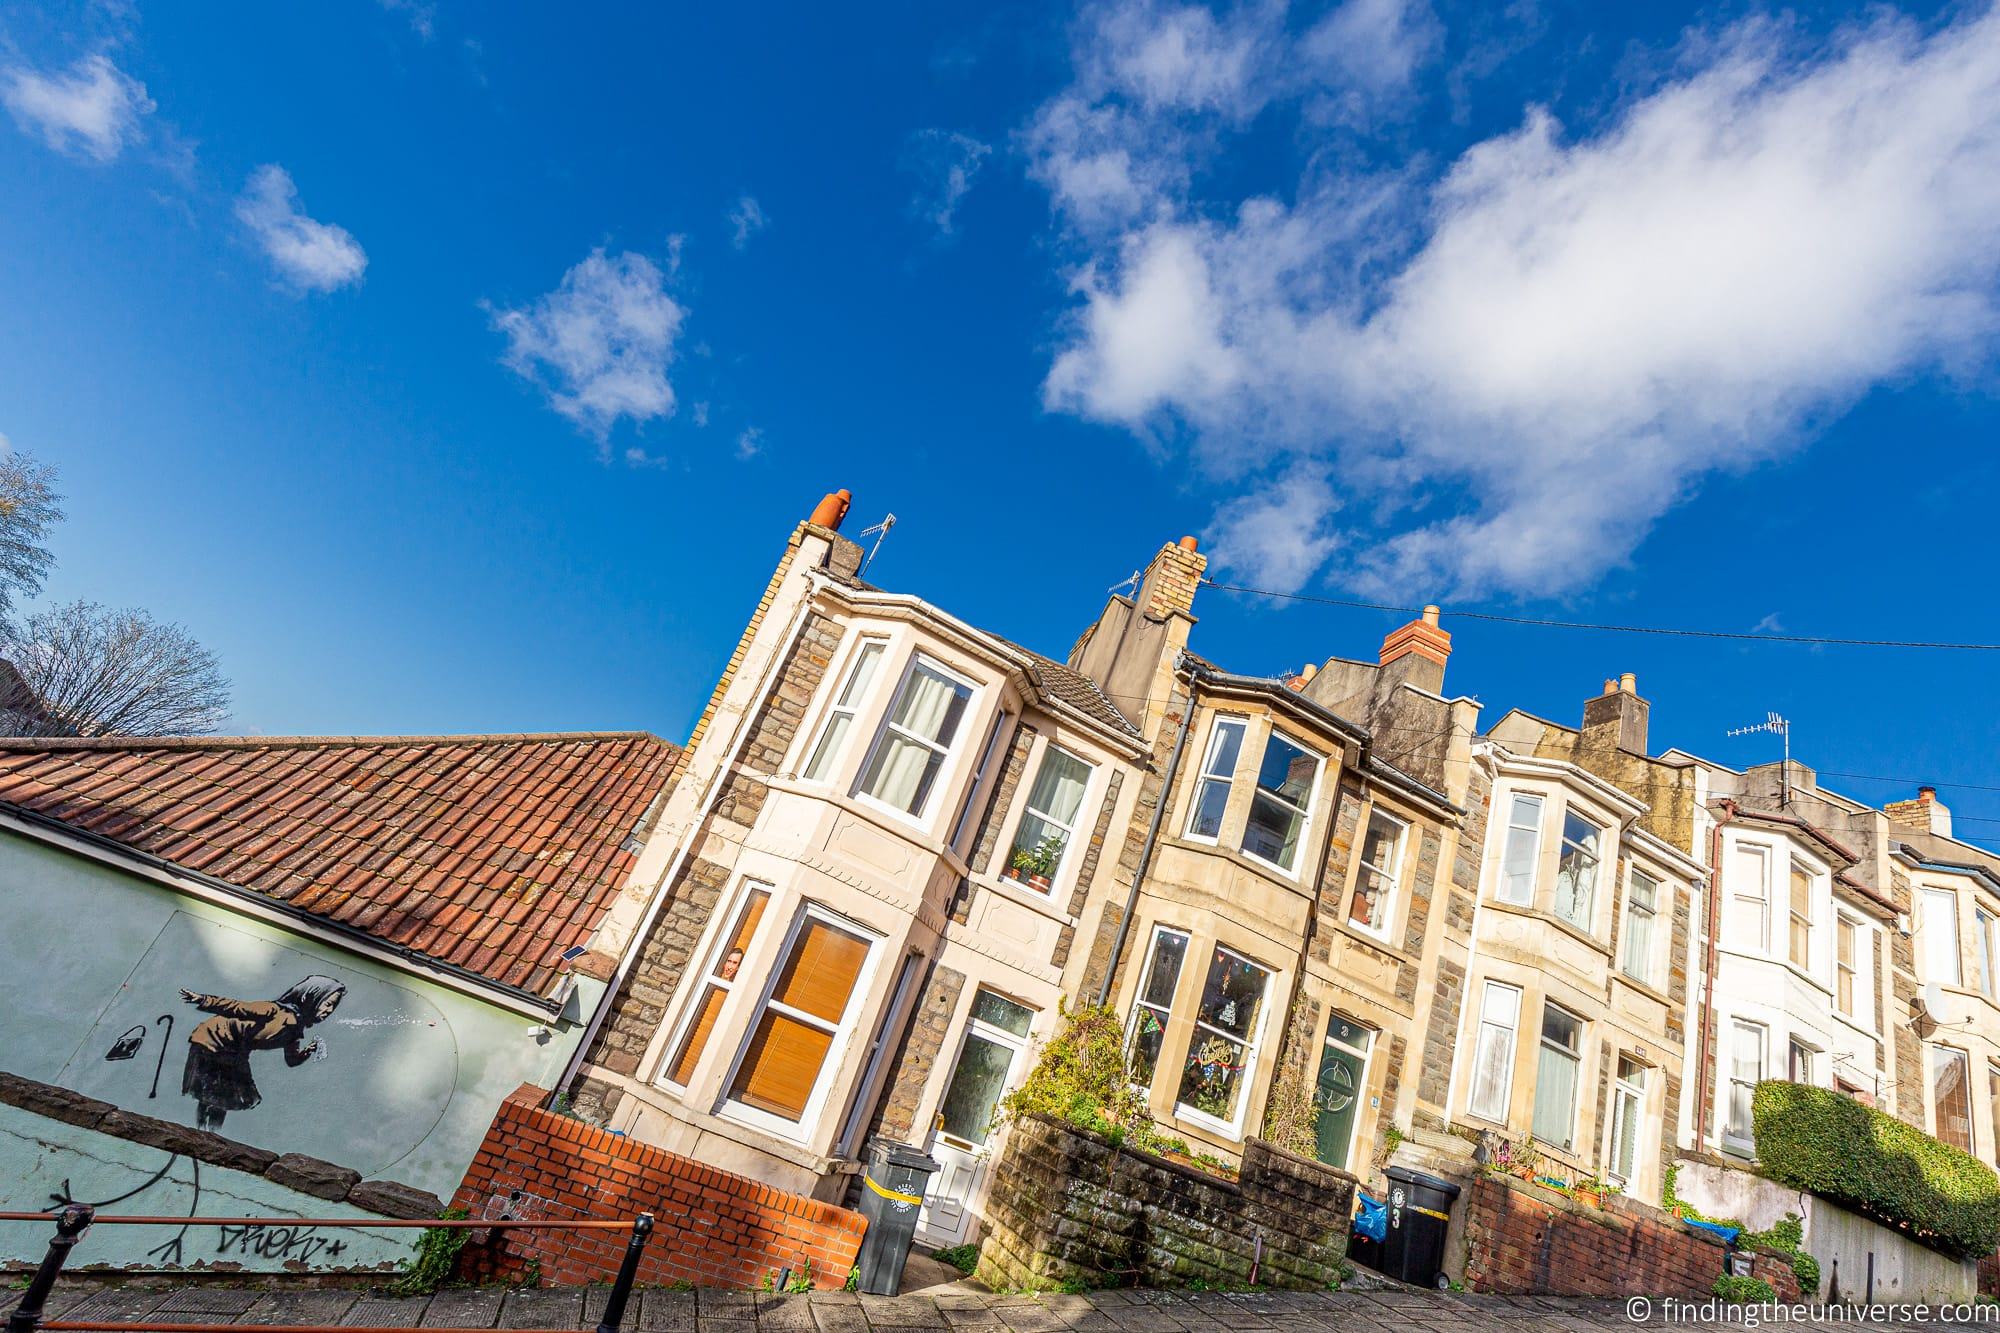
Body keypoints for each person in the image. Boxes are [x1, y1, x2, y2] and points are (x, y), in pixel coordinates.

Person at [179, 975, 346, 1132]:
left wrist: (309, 1050)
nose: (329, 1010)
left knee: (229, 1096)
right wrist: (202, 999)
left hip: (237, 1051)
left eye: (333, 1006)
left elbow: (291, 1060)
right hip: (214, 1040)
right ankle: (201, 1133)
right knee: (217, 1093)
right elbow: (237, 1007)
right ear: (310, 997)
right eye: (328, 1003)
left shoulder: (295, 1029)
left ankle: (210, 1135)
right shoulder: (274, 1010)